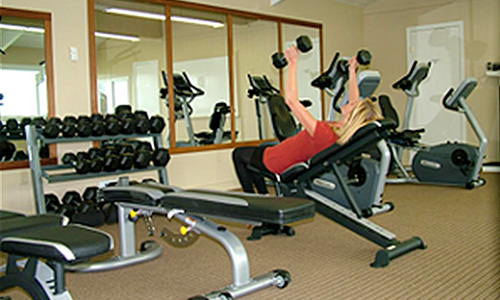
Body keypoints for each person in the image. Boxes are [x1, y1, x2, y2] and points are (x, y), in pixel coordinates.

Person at [233, 46, 383, 194]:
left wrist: (293, 63)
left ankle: (251, 198)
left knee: (239, 154)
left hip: (278, 161)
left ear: (352, 117)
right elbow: (354, 99)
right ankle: (263, 195)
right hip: (282, 152)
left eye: (351, 105)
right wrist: (352, 71)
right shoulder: (342, 133)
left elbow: (291, 101)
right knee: (255, 153)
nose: (349, 101)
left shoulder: (324, 134)